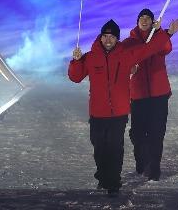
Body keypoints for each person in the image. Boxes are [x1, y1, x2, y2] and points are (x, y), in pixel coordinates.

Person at [68, 18, 170, 197]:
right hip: (98, 113)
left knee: (115, 147)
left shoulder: (126, 55)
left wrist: (165, 33)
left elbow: (150, 48)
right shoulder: (91, 57)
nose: (108, 40)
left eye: (112, 36)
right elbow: (75, 78)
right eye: (105, 36)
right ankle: (102, 175)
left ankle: (113, 182)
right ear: (100, 38)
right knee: (99, 147)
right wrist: (76, 61)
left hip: (119, 113)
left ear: (117, 39)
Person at [124, 8, 178, 181]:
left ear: (153, 22)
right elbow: (123, 62)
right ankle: (142, 159)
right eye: (141, 17)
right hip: (138, 95)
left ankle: (154, 168)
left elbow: (165, 48)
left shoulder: (159, 39)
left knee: (156, 133)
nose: (144, 20)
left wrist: (163, 32)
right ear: (137, 22)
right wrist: (130, 68)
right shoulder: (129, 42)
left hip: (159, 94)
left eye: (148, 18)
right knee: (137, 133)